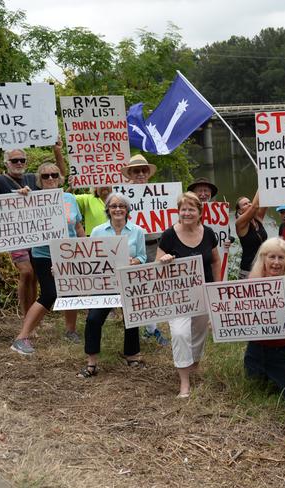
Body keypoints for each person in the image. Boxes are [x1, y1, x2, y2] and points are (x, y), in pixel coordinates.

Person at [0, 135, 67, 317]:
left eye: (22, 160)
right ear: (7, 163)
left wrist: (57, 150)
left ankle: (31, 318)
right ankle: (26, 314)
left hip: (36, 236)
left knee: (34, 276)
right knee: (26, 272)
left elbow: (60, 177)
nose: (19, 163)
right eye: (14, 160)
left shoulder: (32, 179)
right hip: (15, 237)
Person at [10, 162, 85, 355]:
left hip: (69, 253)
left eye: (54, 175)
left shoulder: (70, 198)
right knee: (50, 294)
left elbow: (77, 227)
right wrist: (22, 198)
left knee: (71, 291)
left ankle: (70, 331)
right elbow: (17, 216)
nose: (50, 178)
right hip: (44, 254)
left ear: (60, 178)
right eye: (45, 176)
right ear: (39, 181)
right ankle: (22, 337)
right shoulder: (32, 198)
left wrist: (85, 249)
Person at [156, 191, 221, 398]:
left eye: (191, 209)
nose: (187, 213)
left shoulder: (209, 233)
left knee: (199, 332)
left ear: (199, 212)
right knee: (180, 334)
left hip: (203, 292)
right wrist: (164, 259)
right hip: (178, 297)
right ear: (178, 211)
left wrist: (217, 288)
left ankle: (193, 364)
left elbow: (215, 261)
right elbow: (156, 267)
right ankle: (184, 383)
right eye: (183, 209)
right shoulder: (168, 235)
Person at [76, 193, 148, 378]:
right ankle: (91, 363)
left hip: (127, 281)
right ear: (107, 209)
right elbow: (90, 258)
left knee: (131, 319)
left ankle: (132, 355)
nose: (117, 209)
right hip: (104, 283)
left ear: (127, 210)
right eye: (113, 206)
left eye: (121, 206)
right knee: (93, 319)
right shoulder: (98, 231)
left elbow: (142, 256)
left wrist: (135, 262)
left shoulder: (137, 231)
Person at [245, 237, 285, 391]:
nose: (276, 262)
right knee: (253, 386)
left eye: (281, 257)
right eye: (272, 257)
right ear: (263, 258)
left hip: (284, 349)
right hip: (256, 347)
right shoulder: (253, 281)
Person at [121, 155, 169, 346]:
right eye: (136, 171)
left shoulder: (161, 193)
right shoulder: (123, 196)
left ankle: (151, 329)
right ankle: (144, 328)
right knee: (137, 288)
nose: (140, 174)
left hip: (156, 245)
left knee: (154, 287)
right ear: (130, 174)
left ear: (148, 173)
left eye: (143, 170)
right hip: (133, 248)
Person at [235, 191, 267, 279]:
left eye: (249, 202)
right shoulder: (240, 223)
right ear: (239, 211)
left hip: (264, 269)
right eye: (245, 204)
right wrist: (262, 179)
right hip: (248, 272)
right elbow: (255, 206)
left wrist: (268, 181)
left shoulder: (258, 219)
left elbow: (266, 200)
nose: (249, 204)